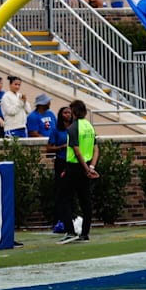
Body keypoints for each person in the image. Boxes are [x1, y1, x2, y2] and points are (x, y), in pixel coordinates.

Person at [57, 99, 97, 244]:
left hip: (75, 166)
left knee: (63, 199)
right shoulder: (89, 127)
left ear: (74, 112)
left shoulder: (73, 128)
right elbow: (96, 148)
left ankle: (70, 231)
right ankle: (85, 233)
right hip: (86, 165)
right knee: (86, 201)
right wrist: (91, 167)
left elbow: (76, 151)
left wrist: (86, 169)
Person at [44, 103, 74, 233]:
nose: (68, 115)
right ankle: (58, 220)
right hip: (61, 161)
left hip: (73, 161)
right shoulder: (56, 130)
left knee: (72, 192)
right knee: (60, 192)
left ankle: (71, 218)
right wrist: (61, 147)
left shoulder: (74, 128)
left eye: (69, 112)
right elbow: (49, 148)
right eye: (65, 113)